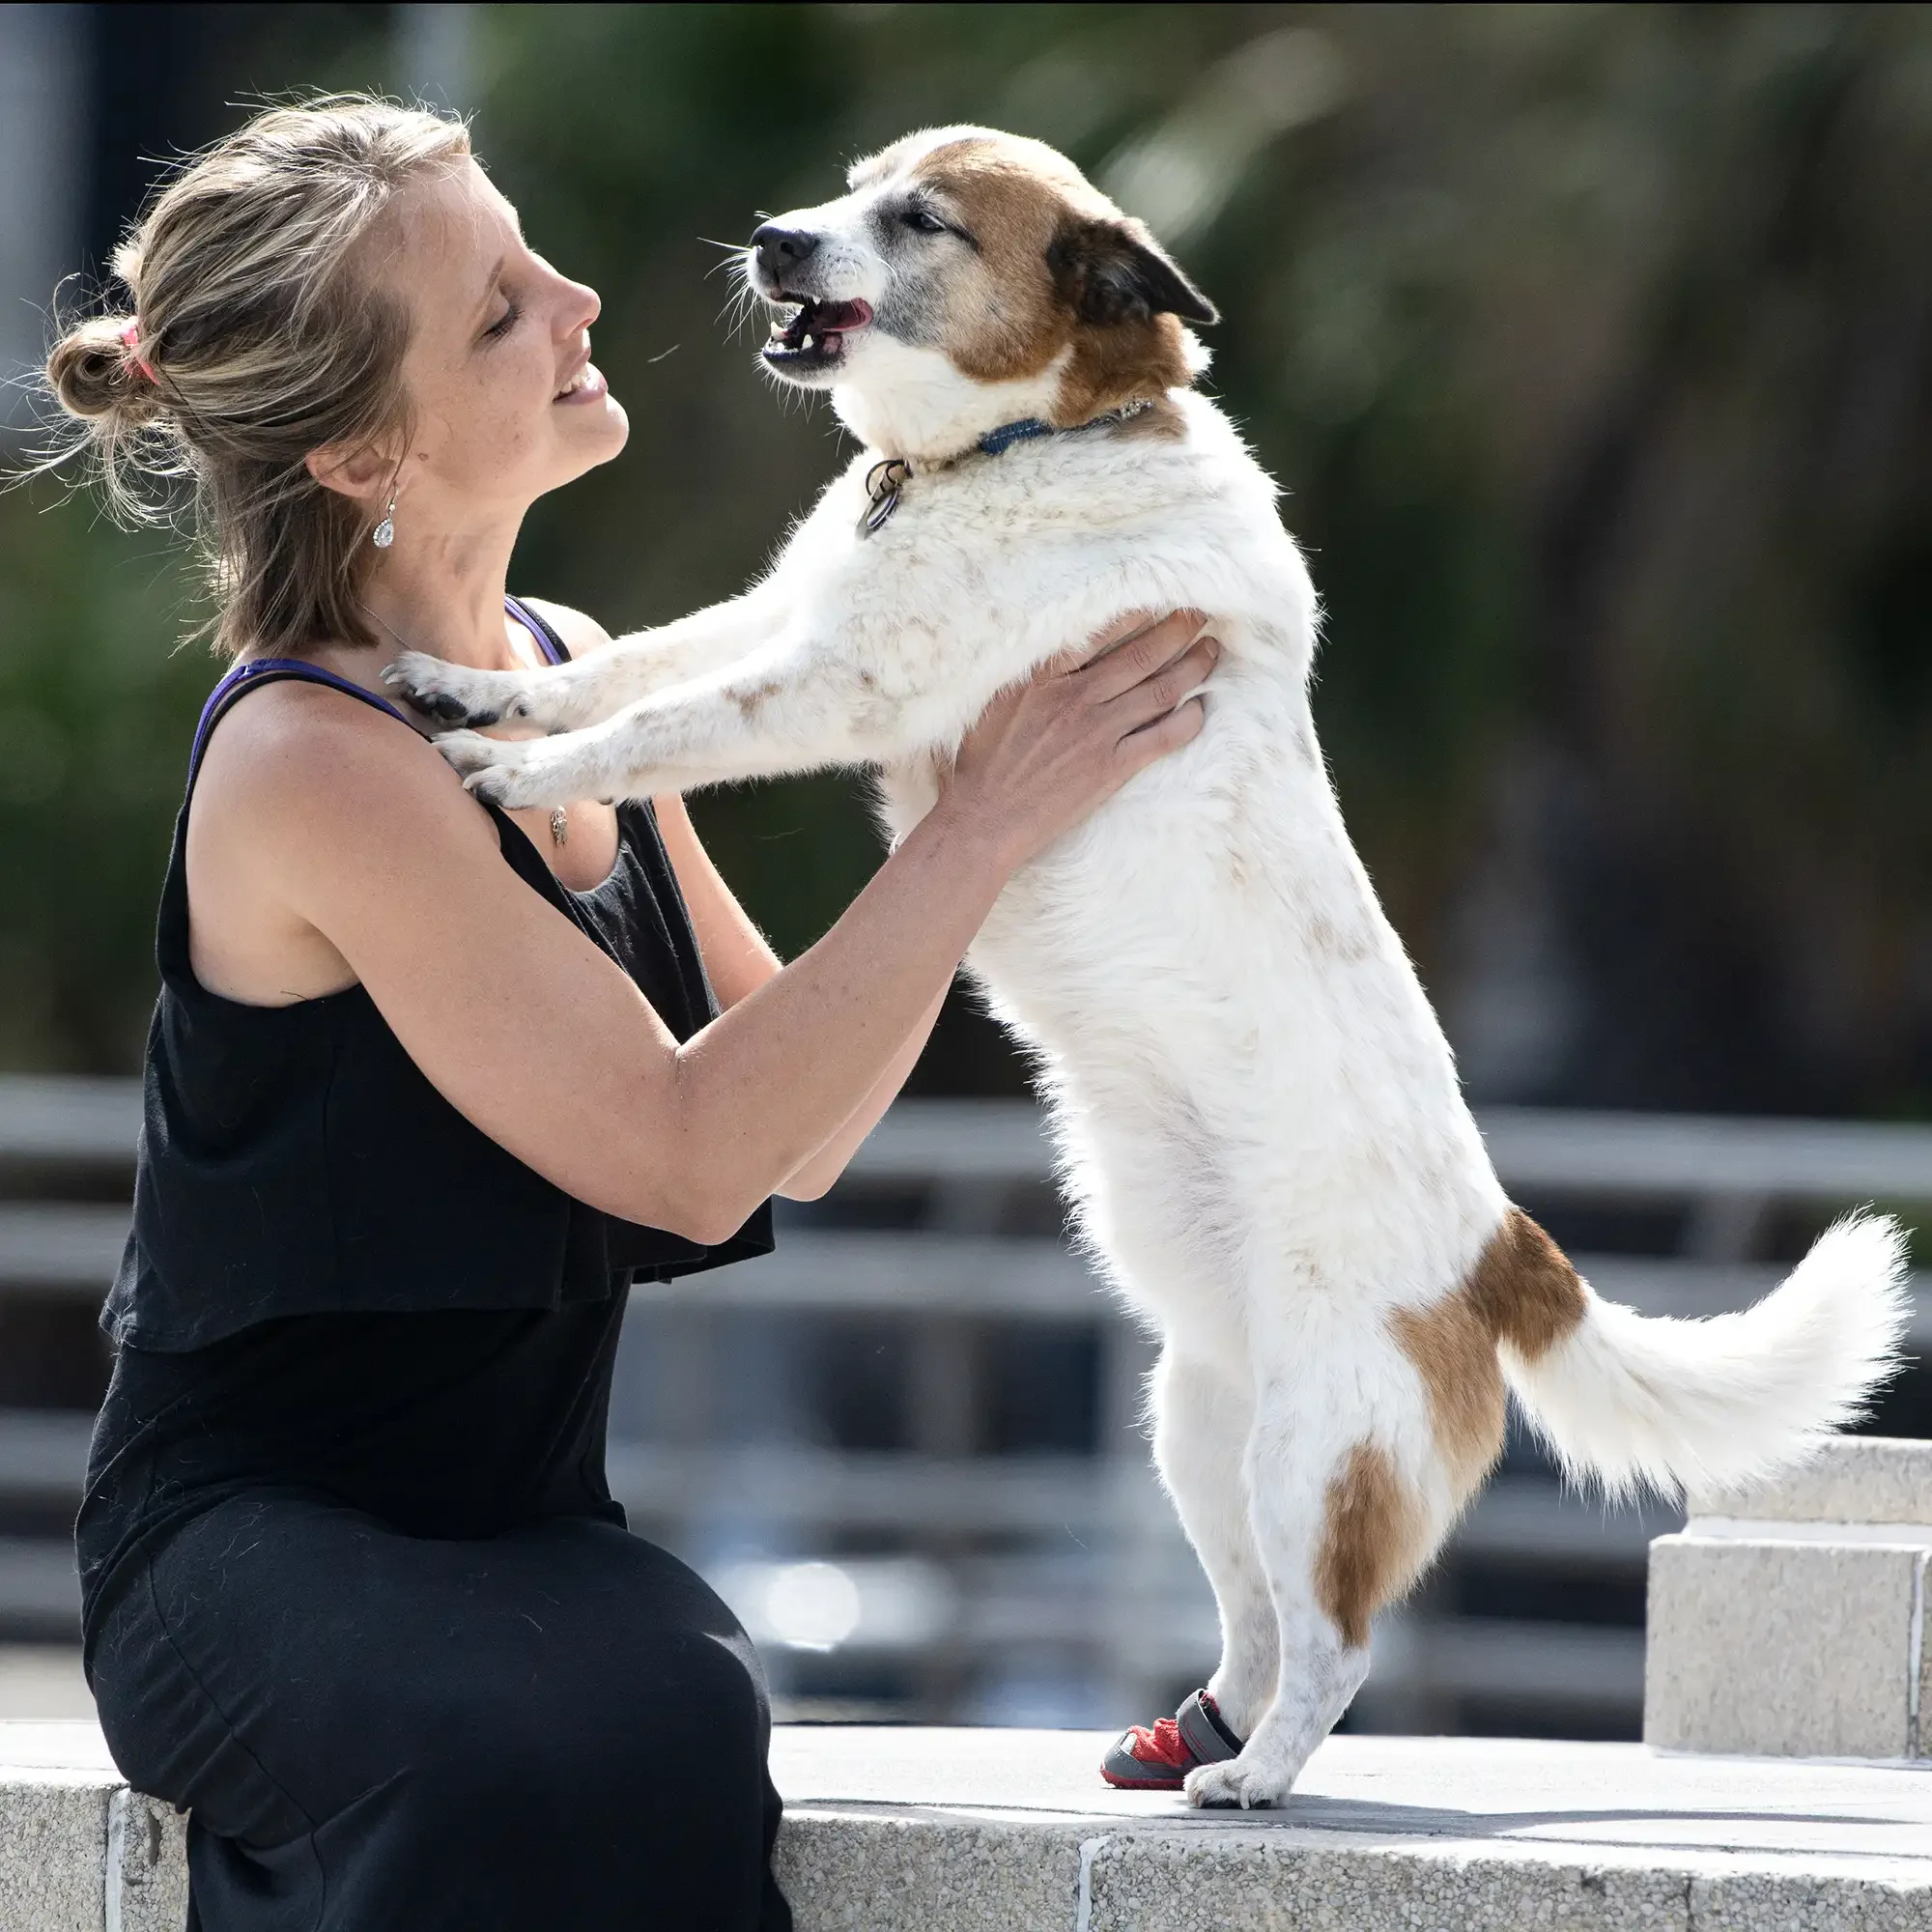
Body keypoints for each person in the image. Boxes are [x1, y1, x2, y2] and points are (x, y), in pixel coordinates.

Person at [41, 97, 1216, 1931]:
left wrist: (953, 786)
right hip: (241, 1554)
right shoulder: (308, 759)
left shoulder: (570, 673)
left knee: (678, 1706)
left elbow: (796, 1129)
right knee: (495, 1751)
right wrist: (983, 815)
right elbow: (686, 1154)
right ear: (362, 448)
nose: (582, 298)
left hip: (514, 1536)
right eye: (502, 309)